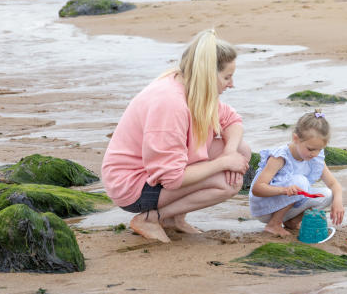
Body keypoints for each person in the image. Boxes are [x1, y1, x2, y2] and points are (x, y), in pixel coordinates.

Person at [101, 29, 250, 243]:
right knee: (228, 183)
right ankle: (152, 218)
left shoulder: (193, 87)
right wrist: (224, 162)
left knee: (241, 149)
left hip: (158, 173)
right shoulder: (170, 103)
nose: (232, 84)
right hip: (132, 185)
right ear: (207, 74)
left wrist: (229, 152)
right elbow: (172, 178)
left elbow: (233, 120)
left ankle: (173, 219)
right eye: (227, 77)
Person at [249, 110, 345, 237]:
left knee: (328, 194)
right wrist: (284, 190)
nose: (314, 154)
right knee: (301, 182)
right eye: (310, 149)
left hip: (287, 204)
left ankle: (292, 222)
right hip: (264, 208)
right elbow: (257, 188)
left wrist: (338, 202)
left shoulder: (315, 158)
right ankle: (274, 224)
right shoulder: (280, 157)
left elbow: (333, 184)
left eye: (319, 149)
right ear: (296, 139)